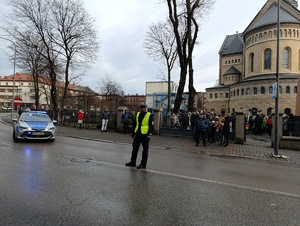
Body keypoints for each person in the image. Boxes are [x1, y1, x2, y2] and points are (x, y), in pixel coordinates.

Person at [125, 103, 154, 169]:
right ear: (141, 108)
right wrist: (132, 132)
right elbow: (135, 124)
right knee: (134, 149)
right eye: (143, 108)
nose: (145, 109)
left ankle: (143, 164)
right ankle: (133, 162)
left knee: (145, 150)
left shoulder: (149, 115)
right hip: (137, 133)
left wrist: (149, 134)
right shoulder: (138, 114)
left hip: (145, 134)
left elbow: (151, 125)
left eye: (145, 107)